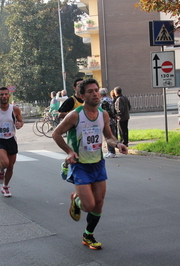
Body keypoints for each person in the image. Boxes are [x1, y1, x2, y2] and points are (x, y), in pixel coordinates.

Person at [52, 78, 128, 250]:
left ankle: (88, 235)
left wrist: (117, 144)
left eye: (96, 90)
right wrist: (69, 152)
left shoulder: (103, 114)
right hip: (80, 165)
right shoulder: (75, 115)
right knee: (88, 206)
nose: (95, 94)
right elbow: (56, 134)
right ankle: (76, 199)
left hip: (98, 163)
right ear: (81, 95)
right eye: (90, 91)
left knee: (99, 203)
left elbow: (108, 136)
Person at [58, 78, 84, 179]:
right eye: (79, 85)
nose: (81, 86)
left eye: (83, 84)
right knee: (75, 155)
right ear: (74, 88)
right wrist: (72, 115)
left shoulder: (88, 100)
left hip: (87, 133)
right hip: (74, 133)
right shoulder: (71, 100)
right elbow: (59, 114)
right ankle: (66, 165)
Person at [99, 88, 117, 158]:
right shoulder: (110, 100)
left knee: (108, 135)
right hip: (111, 120)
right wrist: (114, 116)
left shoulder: (104, 101)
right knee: (110, 134)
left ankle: (111, 151)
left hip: (107, 120)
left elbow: (107, 111)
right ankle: (110, 151)